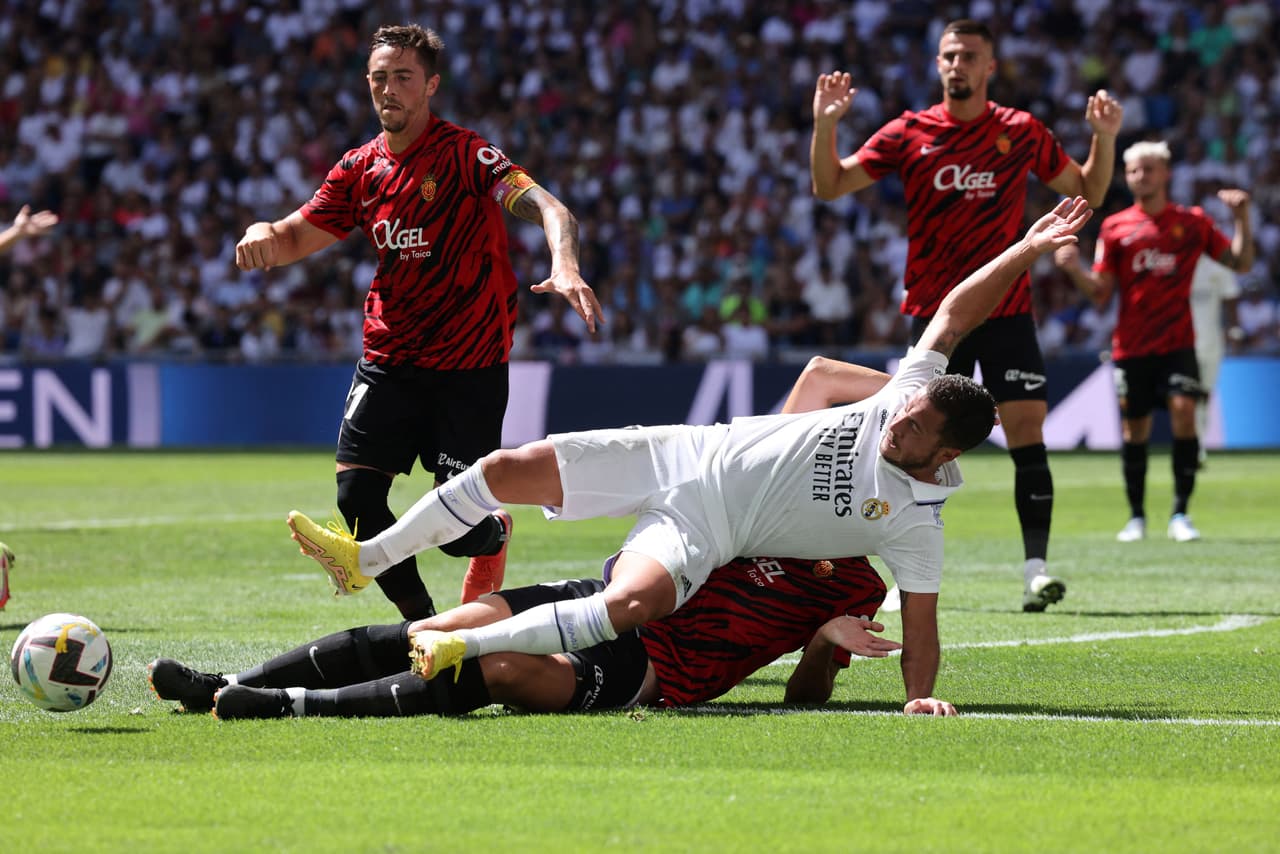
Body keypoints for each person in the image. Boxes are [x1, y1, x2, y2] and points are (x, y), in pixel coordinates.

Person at [285, 197, 1094, 717]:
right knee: (506, 469)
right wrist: (1023, 249)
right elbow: (952, 314)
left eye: (914, 428)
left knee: (630, 602)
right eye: (905, 408)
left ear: (943, 455)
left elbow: (923, 624)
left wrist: (923, 698)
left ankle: (468, 645)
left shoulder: (913, 523)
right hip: (681, 451)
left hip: (708, 525)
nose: (895, 422)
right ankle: (368, 559)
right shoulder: (904, 393)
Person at [234, 25, 603, 620]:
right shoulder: (359, 169)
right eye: (379, 77)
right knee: (356, 499)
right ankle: (425, 629)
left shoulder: (465, 154)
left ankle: (495, 535)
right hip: (390, 357)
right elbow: (295, 233)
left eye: (403, 77)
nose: (389, 89)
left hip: (469, 363)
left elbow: (548, 206)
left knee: (459, 533)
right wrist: (263, 234)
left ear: (431, 84)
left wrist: (564, 264)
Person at [809, 19, 1125, 612]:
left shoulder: (1020, 130)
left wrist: (1103, 139)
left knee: (1028, 432)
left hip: (1008, 311)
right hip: (935, 319)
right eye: (950, 55)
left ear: (989, 67)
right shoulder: (910, 131)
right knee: (908, 441)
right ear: (938, 64)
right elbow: (831, 185)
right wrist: (826, 125)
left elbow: (1088, 188)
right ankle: (904, 577)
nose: (958, 64)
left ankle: (1036, 570)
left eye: (970, 56)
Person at [147, 554, 900, 719]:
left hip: (656, 662)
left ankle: (284, 703)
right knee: (430, 630)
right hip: (602, 598)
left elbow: (805, 695)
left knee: (499, 671)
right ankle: (225, 683)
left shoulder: (859, 585)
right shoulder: (766, 495)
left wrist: (824, 637)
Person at [1053, 141, 1253, 543]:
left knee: (1183, 412)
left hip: (1179, 343)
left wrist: (1242, 219)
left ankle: (1181, 513)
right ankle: (1137, 517)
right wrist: (1074, 269)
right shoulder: (1115, 228)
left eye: (1148, 169)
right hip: (1132, 347)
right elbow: (1100, 292)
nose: (1140, 177)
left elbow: (1240, 263)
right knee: (1135, 430)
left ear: (1166, 174)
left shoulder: (1192, 223)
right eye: (1133, 171)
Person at [1188, 255, 1242, 465]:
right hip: (1179, 342)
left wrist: (1235, 332)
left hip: (1211, 343)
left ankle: (1198, 445)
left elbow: (1231, 299)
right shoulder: (1175, 260)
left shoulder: (1219, 265)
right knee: (1185, 396)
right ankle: (1189, 446)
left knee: (1203, 396)